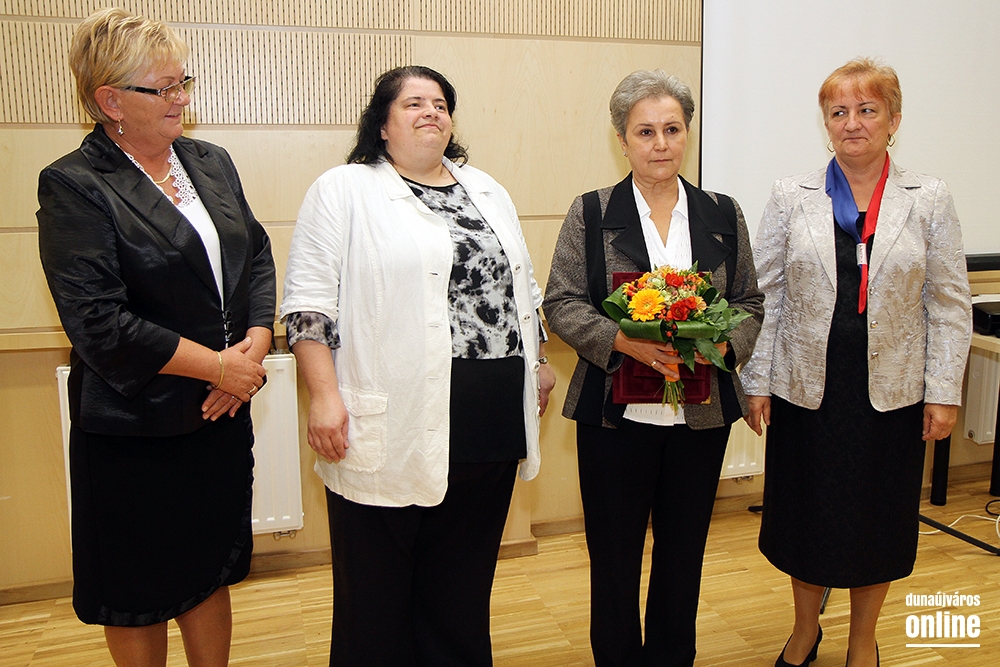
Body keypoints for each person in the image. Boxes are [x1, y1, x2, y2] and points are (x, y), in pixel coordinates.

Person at [280, 65, 555, 667]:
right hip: (393, 417)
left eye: (440, 103)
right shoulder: (343, 190)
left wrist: (536, 361)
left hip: (489, 415)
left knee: (461, 586)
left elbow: (522, 286)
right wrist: (324, 397)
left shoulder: (487, 189)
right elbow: (308, 304)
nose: (431, 111)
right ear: (382, 124)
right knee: (376, 594)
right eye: (413, 103)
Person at [36, 8, 276, 667]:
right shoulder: (75, 184)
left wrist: (256, 343)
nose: (182, 99)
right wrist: (218, 368)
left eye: (182, 82)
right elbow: (98, 321)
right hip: (134, 428)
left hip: (218, 416)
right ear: (110, 101)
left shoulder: (210, 162)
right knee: (136, 591)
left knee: (209, 571)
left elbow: (255, 255)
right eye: (163, 88)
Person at [741, 57, 972, 667]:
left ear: (893, 120)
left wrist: (944, 390)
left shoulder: (928, 199)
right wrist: (756, 382)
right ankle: (804, 631)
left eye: (867, 110)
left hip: (891, 396)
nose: (852, 123)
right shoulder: (790, 196)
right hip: (806, 391)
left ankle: (862, 639)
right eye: (839, 112)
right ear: (825, 123)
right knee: (805, 519)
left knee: (878, 524)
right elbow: (766, 296)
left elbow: (949, 303)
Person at [543, 69, 763, 667]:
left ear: (687, 133)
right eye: (645, 132)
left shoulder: (722, 212)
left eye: (672, 129)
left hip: (701, 418)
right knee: (613, 560)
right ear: (622, 140)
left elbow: (748, 301)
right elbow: (561, 301)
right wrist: (622, 340)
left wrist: (722, 345)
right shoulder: (592, 212)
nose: (660, 143)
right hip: (615, 418)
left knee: (683, 556)